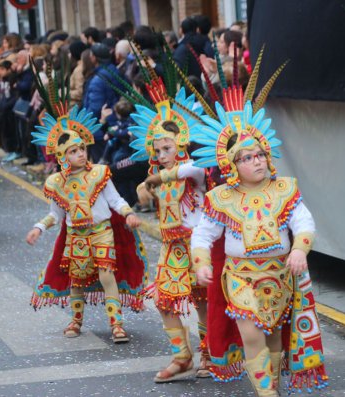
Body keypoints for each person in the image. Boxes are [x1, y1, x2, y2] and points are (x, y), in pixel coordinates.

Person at [188, 53, 328, 396]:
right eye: (247, 157)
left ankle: (271, 389)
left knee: (274, 336)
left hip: (279, 276)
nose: (257, 161)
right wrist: (202, 263)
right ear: (231, 165)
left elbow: (304, 221)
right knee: (252, 336)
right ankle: (268, 394)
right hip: (242, 279)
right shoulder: (222, 197)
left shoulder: (284, 189)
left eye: (260, 154)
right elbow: (203, 234)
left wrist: (298, 249)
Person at [26, 97, 148, 343]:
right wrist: (39, 228)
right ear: (62, 156)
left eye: (82, 149)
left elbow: (115, 200)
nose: (81, 154)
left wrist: (129, 213)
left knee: (107, 274)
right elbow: (55, 214)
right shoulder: (57, 184)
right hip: (76, 236)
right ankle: (76, 320)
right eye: (73, 151)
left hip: (102, 231)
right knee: (77, 280)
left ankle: (117, 324)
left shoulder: (100, 174)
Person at [125, 72, 211, 381]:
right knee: (164, 300)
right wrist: (140, 196)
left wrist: (157, 179)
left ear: (182, 143)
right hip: (171, 247)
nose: (162, 156)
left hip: (198, 246)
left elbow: (192, 168)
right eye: (157, 151)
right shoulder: (155, 177)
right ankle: (182, 356)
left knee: (203, 301)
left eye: (168, 149)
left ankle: (209, 355)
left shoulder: (194, 171)